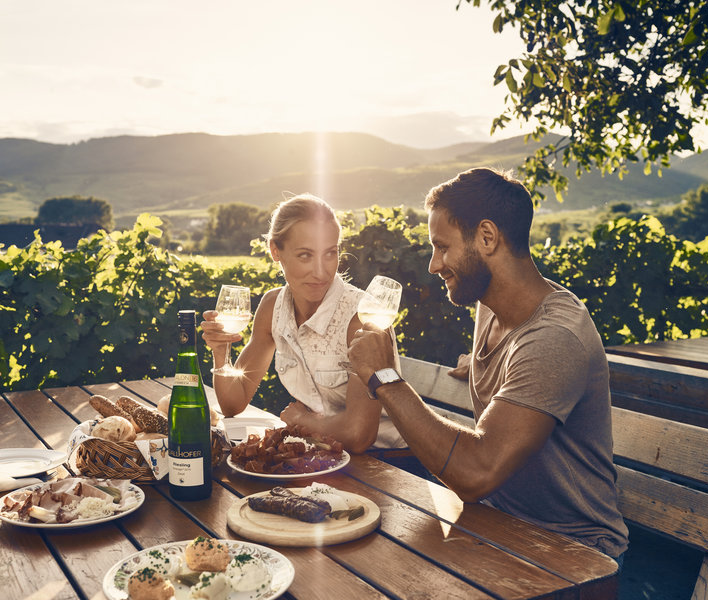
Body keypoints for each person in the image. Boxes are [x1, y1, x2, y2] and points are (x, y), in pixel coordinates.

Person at [348, 168, 629, 563]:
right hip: (498, 523)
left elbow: (477, 472)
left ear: (487, 237)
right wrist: (494, 370)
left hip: (572, 549)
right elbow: (522, 364)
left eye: (442, 247)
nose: (433, 264)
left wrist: (385, 378)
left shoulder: (554, 338)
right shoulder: (491, 305)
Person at [200, 193, 404, 453]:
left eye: (330, 253)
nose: (321, 272)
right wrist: (221, 352)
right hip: (321, 454)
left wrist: (302, 420)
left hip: (388, 464)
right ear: (275, 251)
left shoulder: (361, 317)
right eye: (305, 255)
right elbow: (233, 403)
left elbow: (358, 435)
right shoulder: (273, 306)